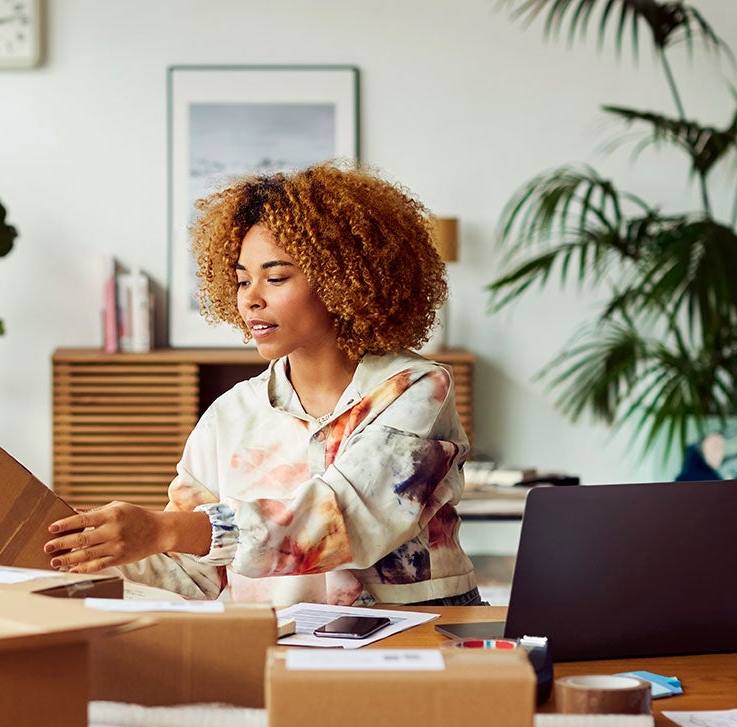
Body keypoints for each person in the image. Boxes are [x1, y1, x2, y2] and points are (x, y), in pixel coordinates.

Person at [43, 160, 479, 606]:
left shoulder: (415, 387)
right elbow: (193, 572)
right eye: (241, 280)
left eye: (275, 278)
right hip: (281, 643)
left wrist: (161, 528)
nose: (250, 299)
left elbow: (340, 520)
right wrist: (87, 548)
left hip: (413, 641)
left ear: (341, 280)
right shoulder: (230, 415)